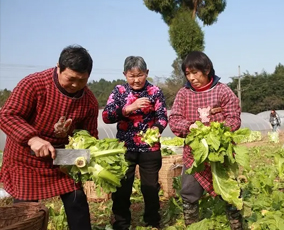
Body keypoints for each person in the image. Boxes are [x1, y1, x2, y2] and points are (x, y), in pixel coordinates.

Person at [0, 45, 98, 230]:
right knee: (26, 212)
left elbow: (90, 136)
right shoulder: (34, 84)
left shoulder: (89, 101)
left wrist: (92, 156)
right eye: (71, 79)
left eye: (82, 80)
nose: (76, 85)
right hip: (25, 158)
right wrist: (32, 138)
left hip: (62, 159)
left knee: (77, 203)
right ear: (58, 68)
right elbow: (7, 115)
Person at [168, 51, 243, 230]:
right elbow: (174, 120)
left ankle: (237, 225)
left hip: (221, 152)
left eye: (195, 72)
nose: (192, 78)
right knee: (188, 192)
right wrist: (190, 127)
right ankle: (192, 225)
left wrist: (219, 131)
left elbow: (234, 118)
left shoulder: (223, 90)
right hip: (194, 155)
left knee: (230, 190)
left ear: (207, 69)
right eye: (188, 74)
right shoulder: (183, 94)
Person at [102, 56, 168, 230]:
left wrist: (156, 129)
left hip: (149, 148)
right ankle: (121, 224)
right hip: (125, 147)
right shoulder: (119, 91)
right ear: (125, 75)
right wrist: (127, 109)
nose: (136, 80)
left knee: (150, 188)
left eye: (140, 75)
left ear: (146, 73)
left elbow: (162, 117)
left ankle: (152, 222)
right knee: (122, 189)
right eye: (132, 76)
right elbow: (106, 116)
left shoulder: (155, 92)